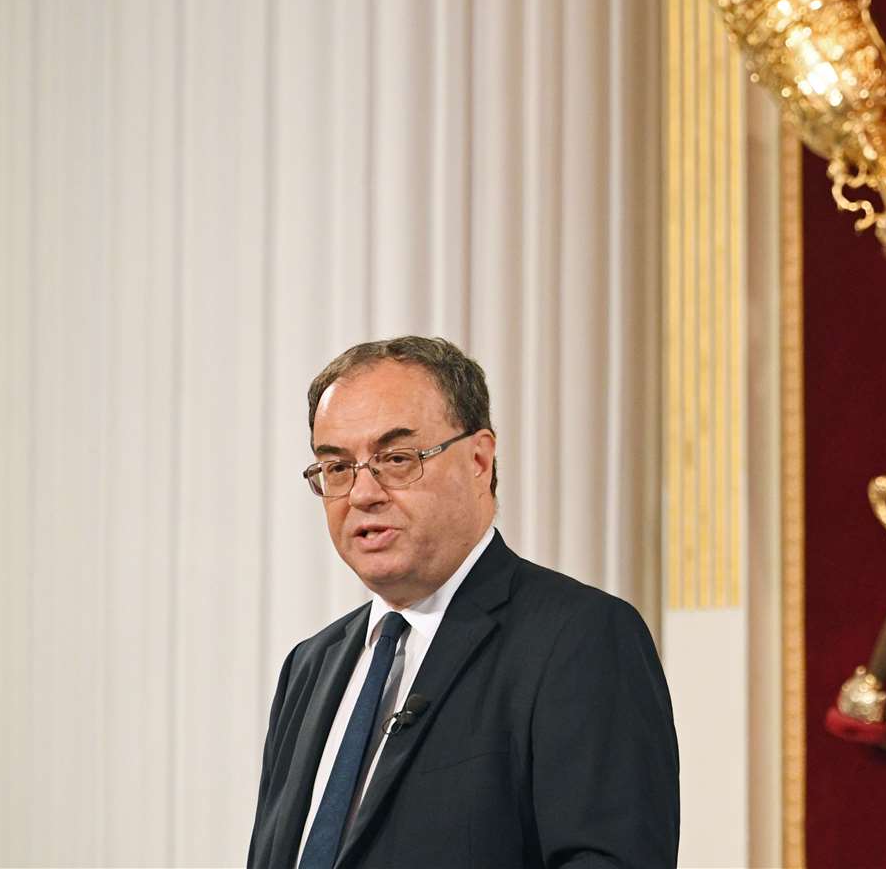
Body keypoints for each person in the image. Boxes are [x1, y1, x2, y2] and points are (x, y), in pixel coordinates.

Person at [248, 336, 679, 868]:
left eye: (396, 458)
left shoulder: (580, 638)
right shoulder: (309, 667)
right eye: (337, 467)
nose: (362, 494)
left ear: (479, 459)